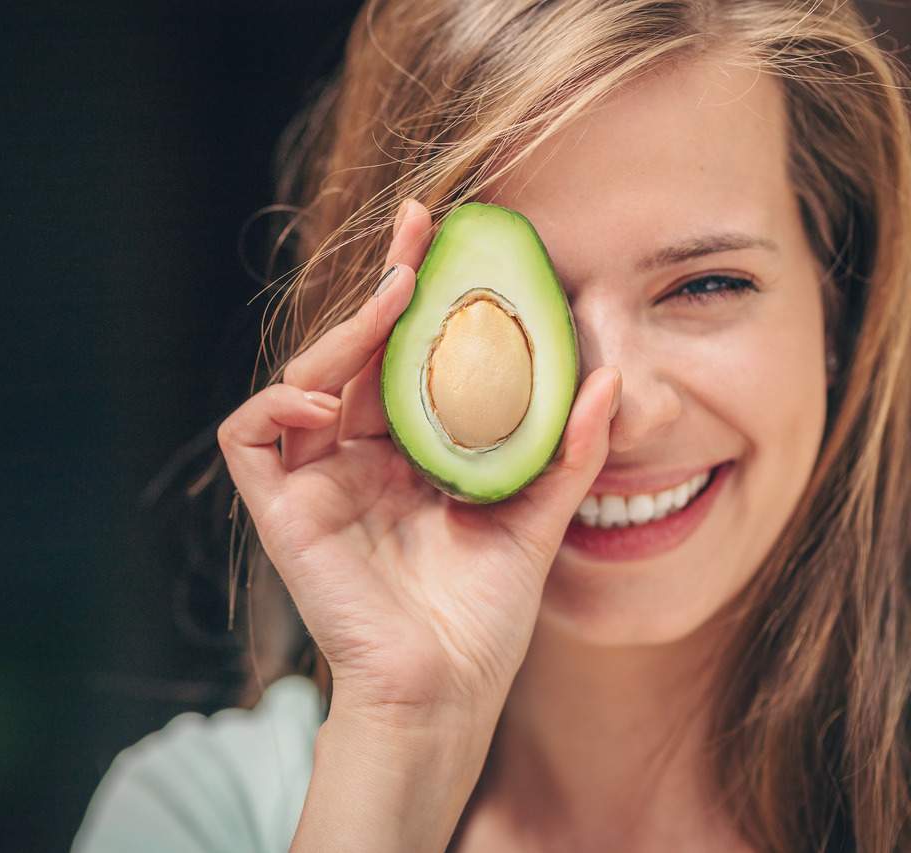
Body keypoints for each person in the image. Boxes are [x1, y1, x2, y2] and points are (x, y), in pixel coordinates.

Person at [74, 0, 911, 849]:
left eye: (707, 285)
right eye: (527, 302)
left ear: (836, 309)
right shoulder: (199, 816)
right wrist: (403, 742)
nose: (614, 416)